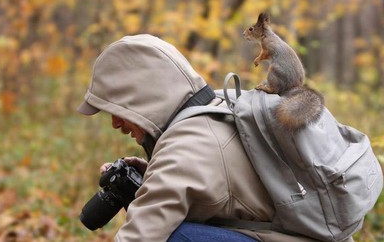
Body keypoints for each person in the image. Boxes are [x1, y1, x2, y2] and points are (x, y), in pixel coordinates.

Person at [77, 34, 328, 242]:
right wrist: (151, 174)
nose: (115, 123)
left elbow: (139, 237)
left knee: (175, 238)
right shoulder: (216, 108)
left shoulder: (185, 148)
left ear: (141, 98)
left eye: (118, 109)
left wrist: (160, 175)